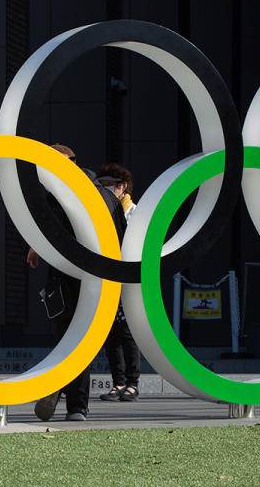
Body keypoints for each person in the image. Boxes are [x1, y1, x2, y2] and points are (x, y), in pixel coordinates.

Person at [29, 144, 126, 421]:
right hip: (101, 280)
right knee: (82, 342)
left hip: (68, 278)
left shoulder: (60, 196)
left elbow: (53, 233)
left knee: (70, 340)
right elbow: (122, 238)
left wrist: (38, 246)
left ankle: (61, 390)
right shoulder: (107, 197)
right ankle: (74, 404)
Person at [94, 163, 140, 402]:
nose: (103, 191)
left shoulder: (135, 212)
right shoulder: (100, 212)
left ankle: (132, 383)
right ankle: (118, 382)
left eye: (108, 186)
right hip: (109, 278)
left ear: (122, 187)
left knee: (128, 331)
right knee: (111, 332)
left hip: (129, 281)